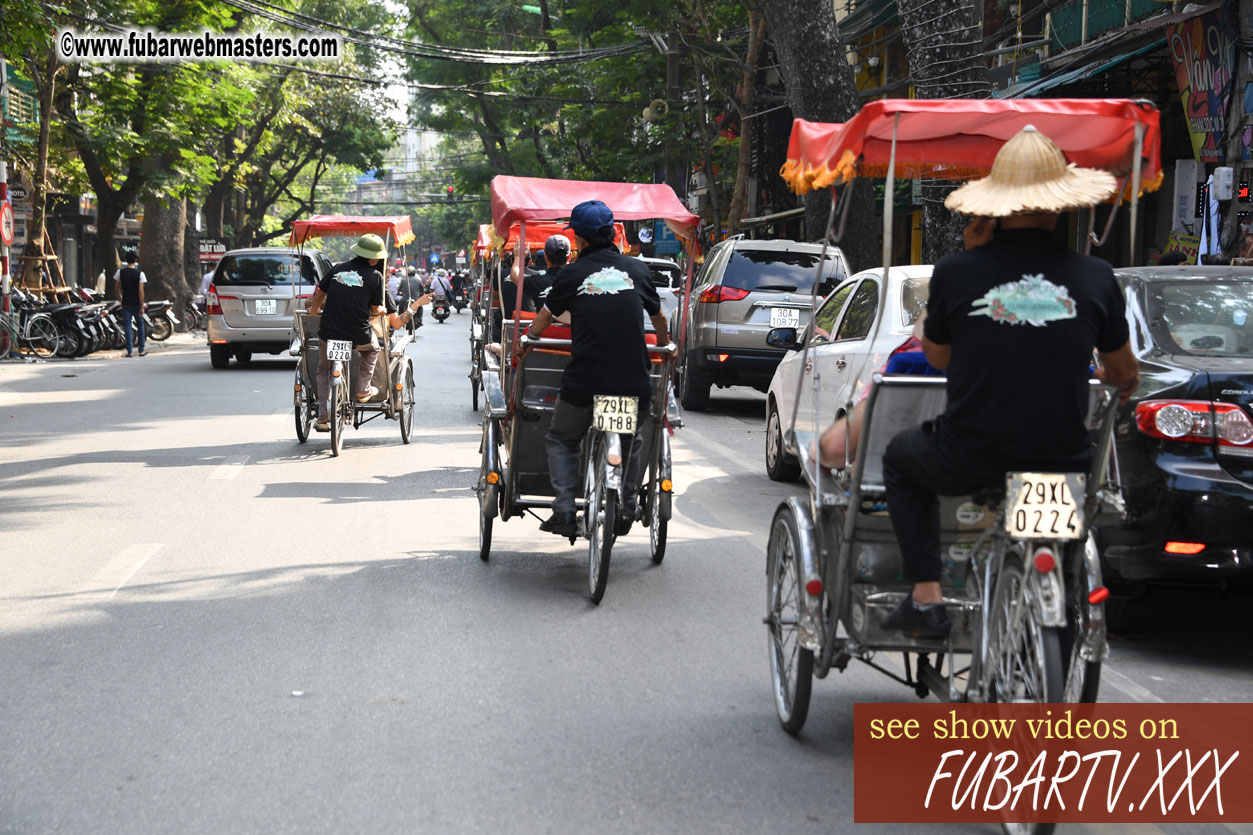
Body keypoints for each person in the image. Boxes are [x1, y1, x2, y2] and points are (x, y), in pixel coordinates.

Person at [877, 125, 1140, 638]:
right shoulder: (1095, 277)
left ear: (995, 209)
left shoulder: (957, 272)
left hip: (968, 456)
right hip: (1059, 462)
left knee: (900, 461)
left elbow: (940, 356)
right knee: (1059, 566)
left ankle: (928, 598)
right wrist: (1107, 374)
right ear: (1060, 205)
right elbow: (1124, 372)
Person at [515, 200, 670, 538]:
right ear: (612, 233)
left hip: (585, 381)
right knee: (630, 441)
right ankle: (628, 507)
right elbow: (659, 318)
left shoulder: (571, 274)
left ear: (581, 240)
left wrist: (528, 339)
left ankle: (566, 509)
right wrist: (665, 344)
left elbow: (544, 318)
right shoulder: (638, 270)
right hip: (632, 380)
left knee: (562, 438)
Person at [306, 234, 429, 432]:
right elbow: (379, 314)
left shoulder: (337, 269)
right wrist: (383, 310)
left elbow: (319, 295)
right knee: (372, 350)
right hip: (358, 335)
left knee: (323, 370)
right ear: (375, 258)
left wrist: (313, 315)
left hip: (329, 333)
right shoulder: (375, 278)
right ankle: (363, 389)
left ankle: (322, 416)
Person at [114, 252, 147, 357]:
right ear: (135, 260)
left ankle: (130, 351)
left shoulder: (120, 272)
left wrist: (121, 299)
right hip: (137, 303)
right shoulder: (140, 274)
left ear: (126, 260)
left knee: (127, 326)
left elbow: (116, 289)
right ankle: (141, 350)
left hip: (126, 303)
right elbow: (141, 291)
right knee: (140, 326)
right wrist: (141, 306)